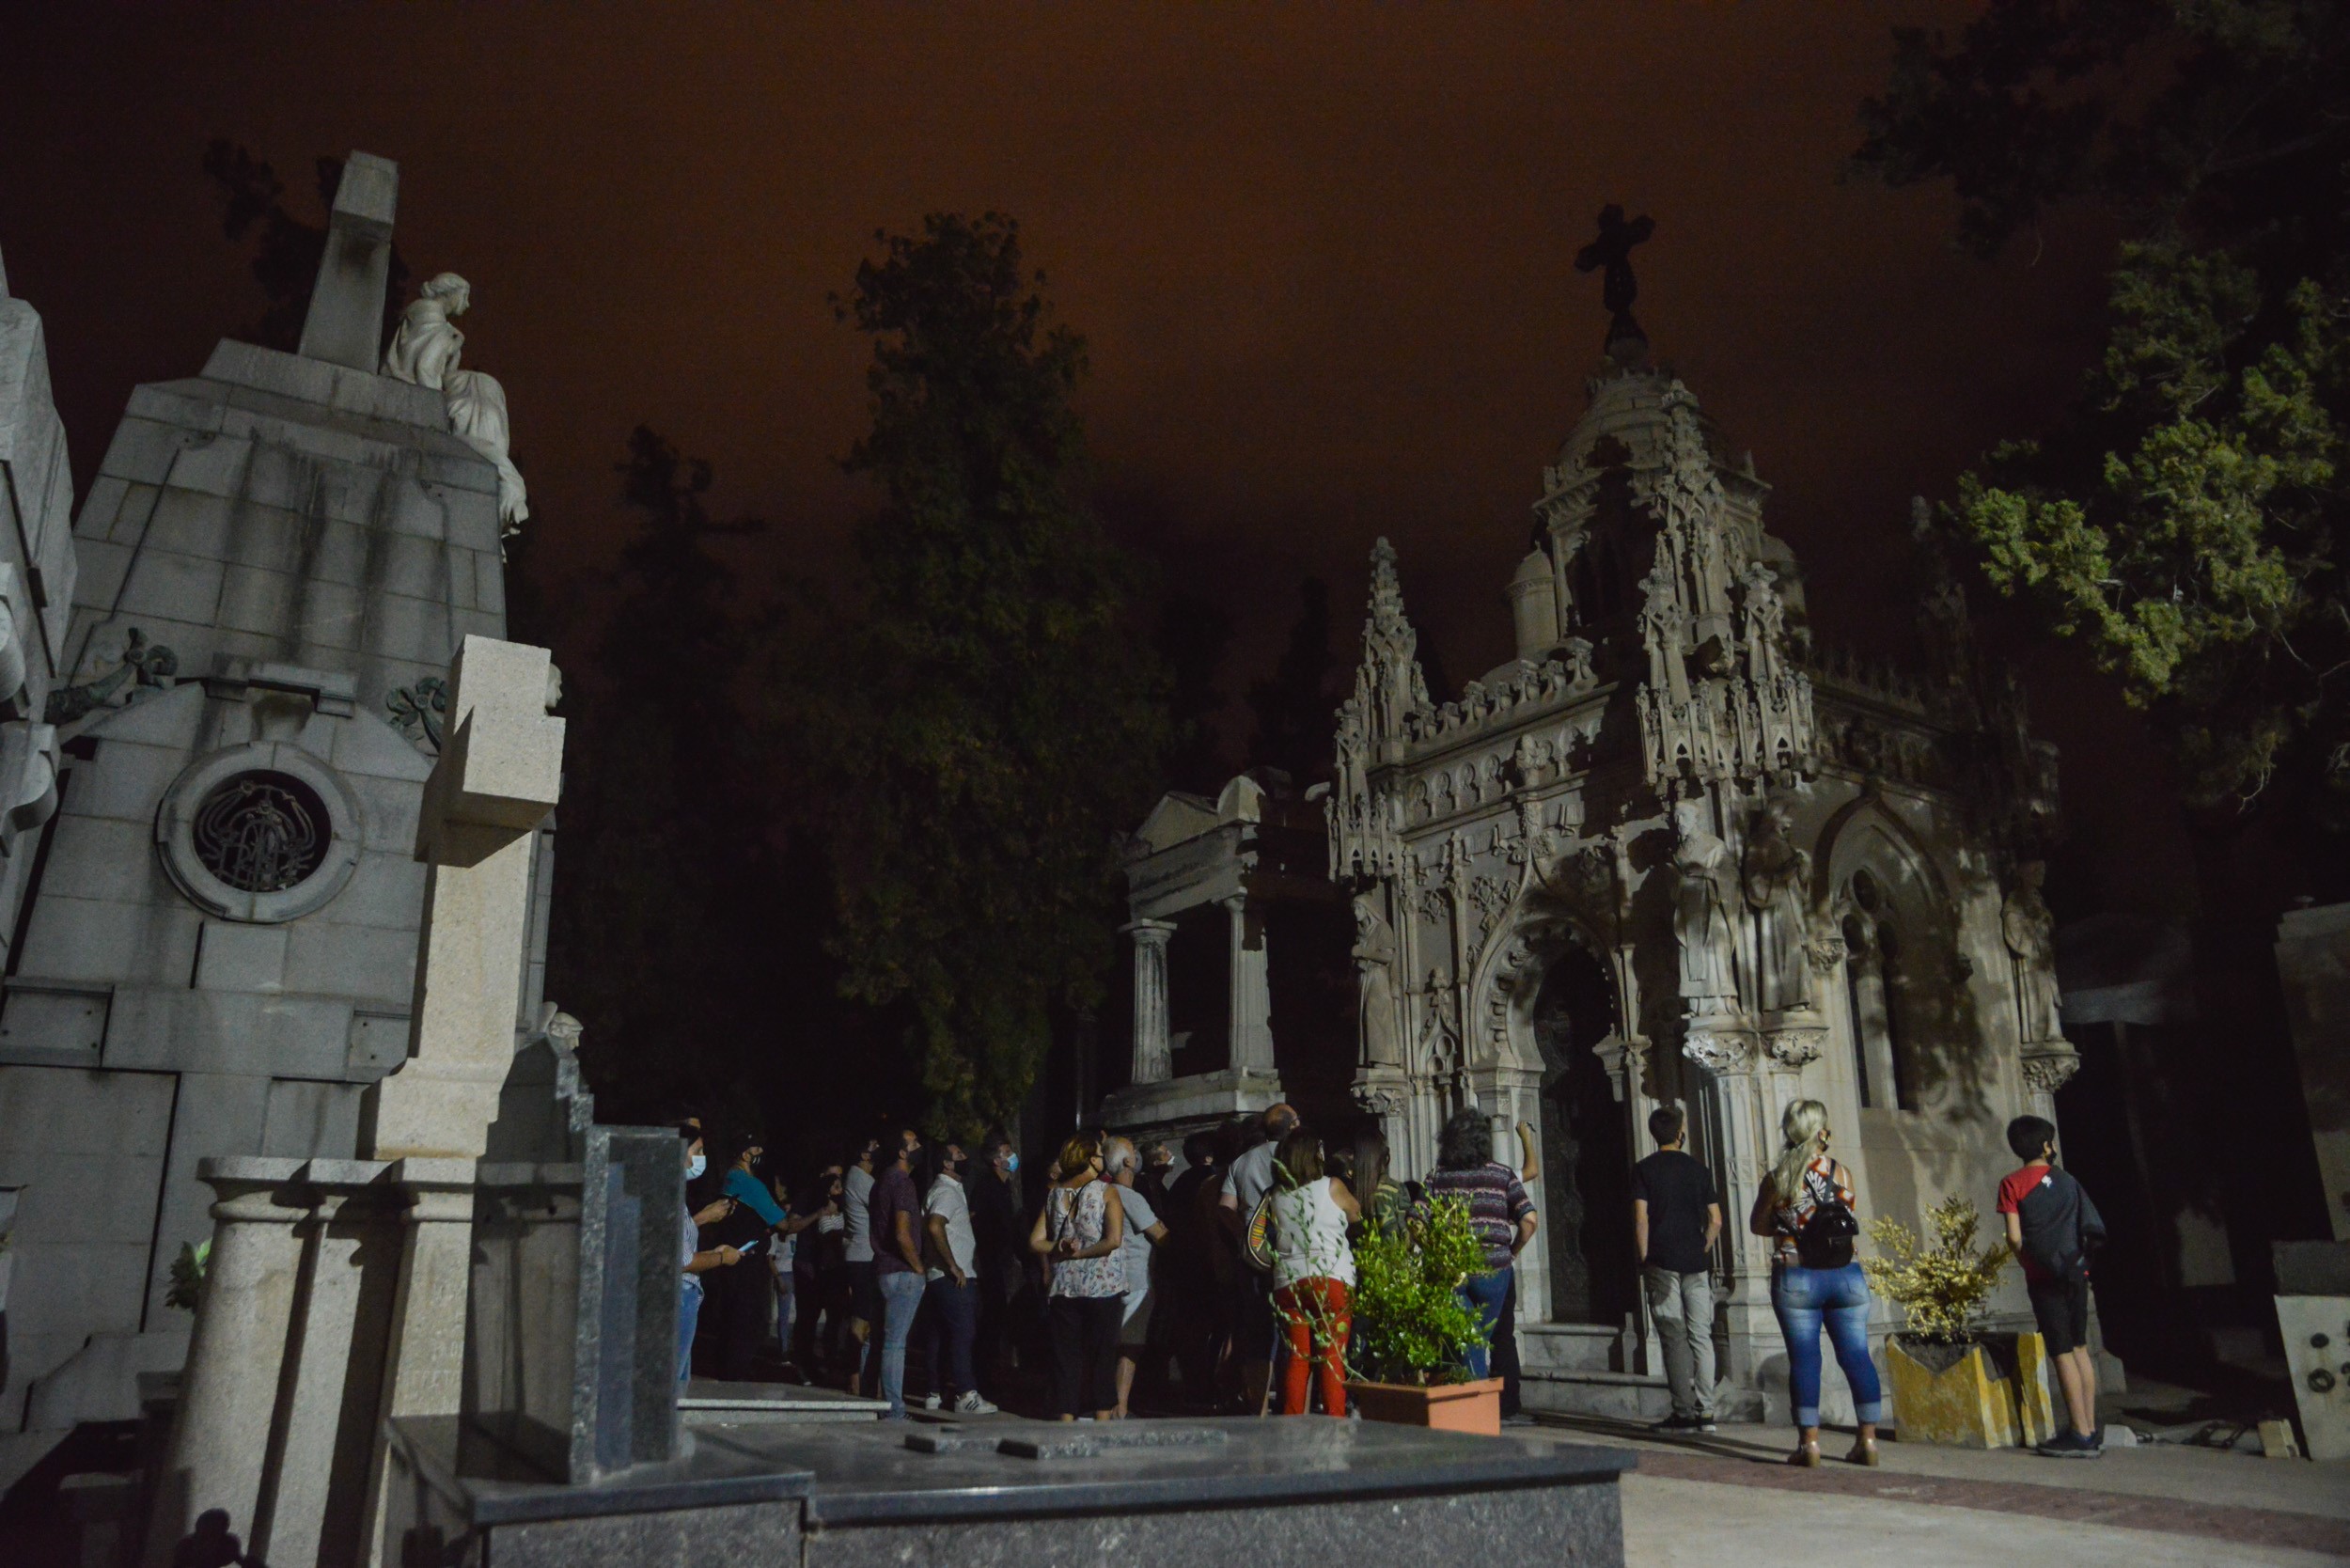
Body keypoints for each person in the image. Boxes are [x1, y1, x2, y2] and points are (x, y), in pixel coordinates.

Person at [1747, 1098, 1883, 1466]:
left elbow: (1757, 1225)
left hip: (1797, 1276)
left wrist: (1786, 1224)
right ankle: (1867, 1441)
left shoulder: (1778, 1178)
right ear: (1821, 1130)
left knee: (1805, 1359)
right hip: (1847, 1275)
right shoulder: (1843, 1172)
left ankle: (1809, 1446)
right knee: (1857, 1354)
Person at [1998, 1114, 2108, 1458]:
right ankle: (2089, 1428)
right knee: (2079, 1349)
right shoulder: (2068, 1180)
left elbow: (2014, 1238)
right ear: (2046, 1146)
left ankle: (2077, 1432)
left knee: (2060, 1352)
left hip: (2044, 1279)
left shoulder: (2011, 1184)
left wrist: (2027, 1262)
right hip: (2077, 1274)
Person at [1422, 1110, 1537, 1386]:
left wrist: (1437, 1254)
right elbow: (1529, 1221)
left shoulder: (1438, 1176)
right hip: (1493, 1269)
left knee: (1465, 1340)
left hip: (1453, 1270)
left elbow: (1416, 1219)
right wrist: (1513, 1252)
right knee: (1477, 1340)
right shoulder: (1502, 1174)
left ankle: (1470, 1407)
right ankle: (1476, 1409)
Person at [1633, 1104, 1722, 1433]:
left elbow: (1641, 1218)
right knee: (1701, 1335)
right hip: (1695, 1263)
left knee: (1673, 1337)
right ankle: (1707, 1411)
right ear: (1680, 1134)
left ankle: (1683, 1412)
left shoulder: (1644, 1169)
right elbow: (1716, 1220)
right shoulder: (1699, 1169)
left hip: (1662, 1261)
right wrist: (1704, 1246)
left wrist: (1644, 1257)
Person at [1029, 1131, 1126, 1420]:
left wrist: (1059, 1248)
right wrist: (1080, 1254)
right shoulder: (1107, 1191)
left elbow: (1034, 1241)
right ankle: (1101, 1420)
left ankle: (1066, 1420)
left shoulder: (1055, 1194)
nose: (1103, 1159)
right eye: (1099, 1154)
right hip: (1102, 1286)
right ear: (1089, 1159)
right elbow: (1114, 1240)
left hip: (1064, 1287)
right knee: (1101, 1357)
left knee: (1066, 1358)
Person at [1269, 1126, 1360, 1417]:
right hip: (1330, 1278)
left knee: (1298, 1357)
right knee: (1332, 1355)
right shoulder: (1332, 1185)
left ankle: (1292, 1417)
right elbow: (1356, 1213)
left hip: (1289, 1282)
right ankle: (1335, 1419)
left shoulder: (1276, 1195)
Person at [1218, 1103, 1299, 1412]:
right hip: (1290, 1253)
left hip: (1252, 1258)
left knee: (1257, 1333)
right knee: (1292, 1330)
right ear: (1292, 1127)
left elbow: (1225, 1206)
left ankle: (1259, 1406)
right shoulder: (1296, 1157)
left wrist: (1245, 1235)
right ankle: (1292, 1403)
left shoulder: (1241, 1161)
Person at [920, 1140, 999, 1415]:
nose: (966, 1157)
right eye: (959, 1155)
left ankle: (933, 1391)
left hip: (936, 1277)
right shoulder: (946, 1191)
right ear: (947, 1163)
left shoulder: (945, 1190)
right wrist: (952, 1265)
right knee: (964, 1334)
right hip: (952, 1278)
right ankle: (966, 1394)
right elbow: (934, 1225)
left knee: (939, 1336)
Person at [1105, 1137, 1171, 1418]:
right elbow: (1160, 1235)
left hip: (1111, 1277)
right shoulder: (1128, 1196)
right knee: (1130, 1347)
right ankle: (1120, 1408)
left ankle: (1108, 1405)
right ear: (1127, 1162)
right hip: (1135, 1277)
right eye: (1133, 1151)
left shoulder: (1104, 1192)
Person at [863, 1127, 927, 1419]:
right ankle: (893, 1409)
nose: (919, 1145)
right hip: (902, 1271)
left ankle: (869, 1400)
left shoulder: (880, 1182)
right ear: (903, 1152)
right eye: (913, 1142)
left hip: (881, 1269)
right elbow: (902, 1234)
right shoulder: (903, 1183)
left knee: (877, 1340)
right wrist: (918, 1266)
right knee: (895, 1343)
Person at [678, 1122, 745, 1386]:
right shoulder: (670, 1192)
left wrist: (704, 1217)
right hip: (682, 1294)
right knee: (675, 1382)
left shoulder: (675, 1193)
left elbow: (676, 1240)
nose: (701, 1158)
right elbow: (683, 1261)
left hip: (685, 1296)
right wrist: (721, 1258)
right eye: (698, 1150)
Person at [967, 1132, 1024, 1400]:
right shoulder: (986, 1186)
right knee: (990, 1320)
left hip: (1000, 1261)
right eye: (1006, 1151)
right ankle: (980, 1378)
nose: (1011, 1155)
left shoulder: (1003, 1186)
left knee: (998, 1320)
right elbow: (978, 1221)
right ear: (995, 1160)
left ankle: (988, 1375)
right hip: (988, 1263)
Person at [840, 1135, 881, 1390]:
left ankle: (863, 1380)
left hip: (863, 1255)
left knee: (867, 1320)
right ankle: (856, 1381)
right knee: (861, 1321)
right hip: (863, 1257)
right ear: (865, 1155)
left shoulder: (858, 1178)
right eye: (874, 1146)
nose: (879, 1150)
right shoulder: (860, 1178)